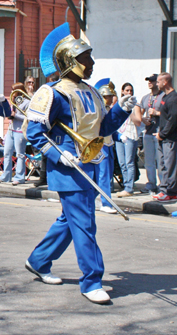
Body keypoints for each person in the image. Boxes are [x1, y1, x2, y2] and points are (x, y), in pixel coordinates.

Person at [24, 23, 134, 304]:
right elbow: (35, 133)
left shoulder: (92, 91)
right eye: (87, 58)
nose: (93, 62)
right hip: (68, 168)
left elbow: (103, 128)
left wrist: (122, 109)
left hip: (92, 162)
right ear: (71, 62)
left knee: (70, 220)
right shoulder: (52, 92)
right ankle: (92, 280)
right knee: (85, 223)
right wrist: (59, 154)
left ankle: (39, 259)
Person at [151, 73, 177, 203]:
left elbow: (173, 120)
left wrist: (162, 134)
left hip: (172, 138)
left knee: (171, 165)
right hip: (164, 137)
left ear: (165, 82)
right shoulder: (165, 97)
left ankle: (171, 192)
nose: (156, 84)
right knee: (163, 164)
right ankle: (164, 189)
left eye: (158, 81)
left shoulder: (174, 99)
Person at [0, 81, 32, 185]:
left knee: (20, 154)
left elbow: (28, 117)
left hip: (20, 131)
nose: (12, 92)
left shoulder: (27, 102)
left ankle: (19, 177)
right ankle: (6, 176)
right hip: (11, 130)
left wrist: (15, 116)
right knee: (7, 152)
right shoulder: (15, 101)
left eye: (14, 90)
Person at [94, 79, 118, 213]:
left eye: (111, 96)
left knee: (107, 175)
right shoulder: (99, 110)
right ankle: (105, 202)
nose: (110, 98)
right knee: (102, 175)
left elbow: (111, 128)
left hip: (109, 143)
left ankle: (102, 200)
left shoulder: (108, 109)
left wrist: (119, 137)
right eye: (107, 96)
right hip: (101, 144)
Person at [115, 82, 142, 198]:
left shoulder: (135, 105)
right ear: (122, 92)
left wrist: (129, 111)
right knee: (122, 162)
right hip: (120, 134)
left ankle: (129, 187)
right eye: (127, 90)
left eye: (131, 90)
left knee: (129, 161)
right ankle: (125, 184)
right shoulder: (119, 104)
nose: (129, 92)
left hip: (130, 134)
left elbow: (139, 121)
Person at [139, 74, 163, 194]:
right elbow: (139, 112)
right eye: (148, 81)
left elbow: (169, 114)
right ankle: (151, 184)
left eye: (152, 81)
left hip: (159, 131)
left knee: (160, 160)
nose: (150, 83)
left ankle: (162, 184)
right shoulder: (145, 98)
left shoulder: (163, 96)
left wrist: (156, 112)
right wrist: (143, 119)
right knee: (149, 161)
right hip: (148, 132)